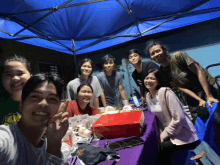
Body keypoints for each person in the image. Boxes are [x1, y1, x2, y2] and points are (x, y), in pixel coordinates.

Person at [0, 73, 69, 164]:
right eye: (35, 96)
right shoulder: (5, 139)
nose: (43, 104)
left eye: (52, 99)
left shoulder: (52, 146)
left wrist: (54, 142)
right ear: (21, 104)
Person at [145, 40, 219, 122]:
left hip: (207, 84)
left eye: (158, 51)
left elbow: (199, 72)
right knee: (196, 117)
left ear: (164, 50)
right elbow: (179, 86)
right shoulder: (162, 71)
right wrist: (199, 99)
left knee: (215, 113)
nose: (156, 54)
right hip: (192, 90)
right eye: (153, 53)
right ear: (151, 57)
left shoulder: (179, 56)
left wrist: (209, 96)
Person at [144, 69, 198, 164]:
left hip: (183, 135)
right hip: (170, 133)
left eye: (152, 78)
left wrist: (164, 135)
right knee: (151, 144)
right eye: (146, 78)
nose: (148, 81)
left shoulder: (165, 92)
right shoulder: (148, 96)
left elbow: (179, 118)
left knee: (157, 150)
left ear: (158, 81)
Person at [0, 55, 32, 125]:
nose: (15, 78)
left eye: (20, 73)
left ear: (31, 76)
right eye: (9, 74)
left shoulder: (43, 102)